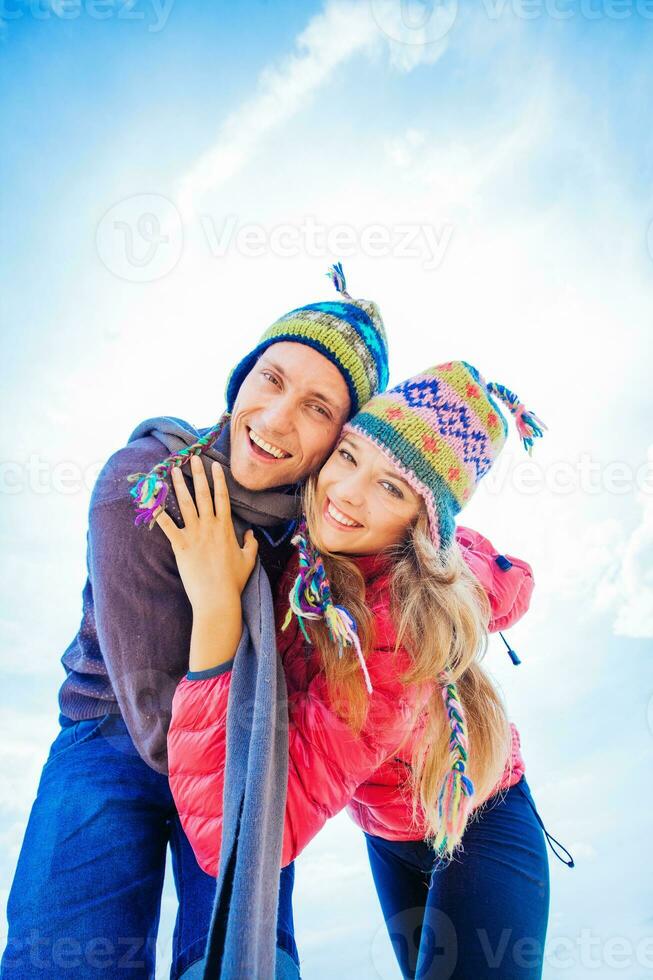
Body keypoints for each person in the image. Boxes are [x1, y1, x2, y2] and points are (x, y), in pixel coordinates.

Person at [0, 263, 392, 979]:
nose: (276, 420)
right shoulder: (142, 483)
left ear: (340, 440)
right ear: (241, 380)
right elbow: (156, 729)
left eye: (316, 407)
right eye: (271, 380)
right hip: (112, 733)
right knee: (64, 955)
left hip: (246, 742)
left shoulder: (324, 540)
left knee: (241, 960)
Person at [163, 359, 572, 978]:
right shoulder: (314, 551)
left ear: (420, 526)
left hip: (484, 824)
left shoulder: (395, 633)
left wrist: (216, 607)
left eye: (392, 488)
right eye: (349, 455)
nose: (348, 492)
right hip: (390, 834)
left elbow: (237, 844)